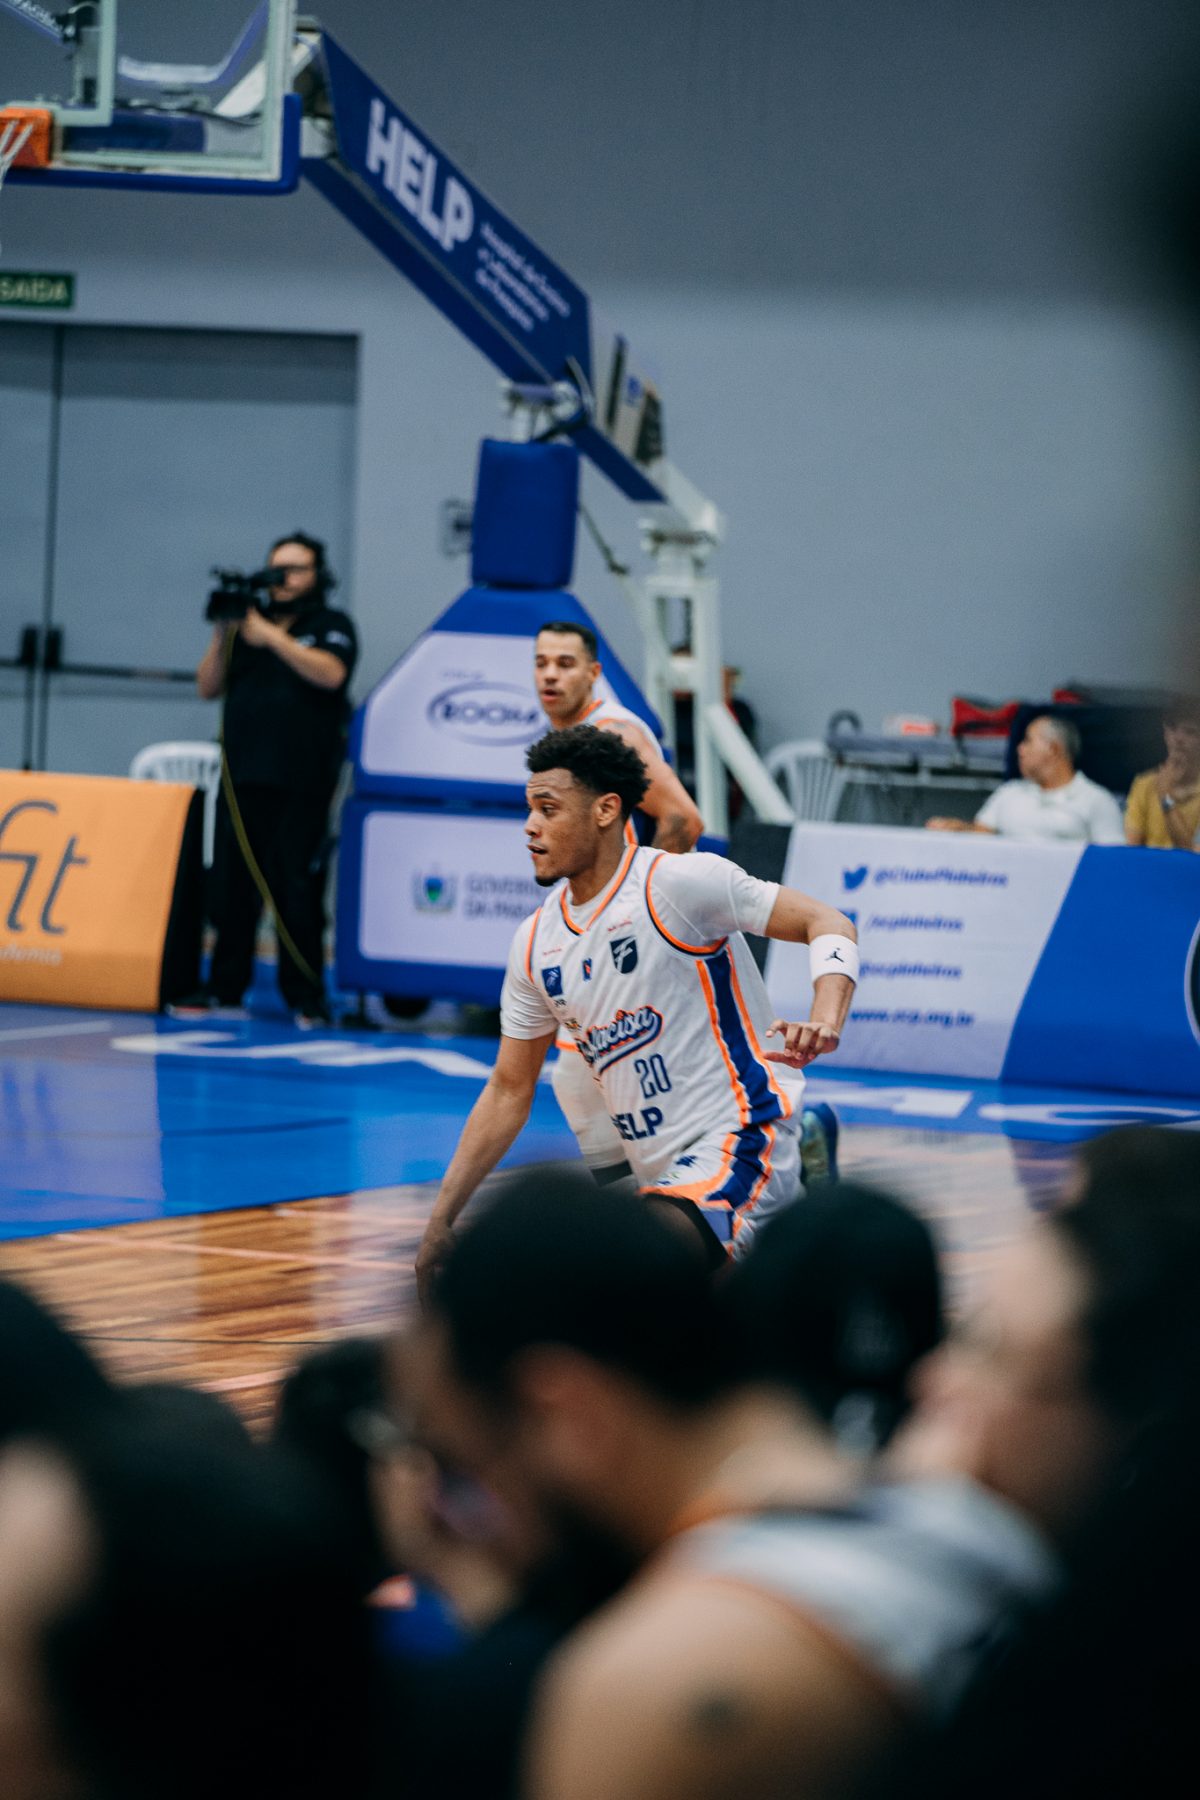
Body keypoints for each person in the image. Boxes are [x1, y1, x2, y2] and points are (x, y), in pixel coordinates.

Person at [406, 1176, 1054, 1800]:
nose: (467, 1518)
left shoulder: (654, 1685)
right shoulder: (980, 1514)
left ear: (567, 1415)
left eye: (466, 1471)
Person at [414, 724, 859, 1291]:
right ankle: (801, 1225)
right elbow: (508, 1089)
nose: (530, 825)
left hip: (742, 1137)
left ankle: (793, 1196)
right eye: (529, 809)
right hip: (659, 1171)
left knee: (622, 1279)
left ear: (605, 810)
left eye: (548, 809)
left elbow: (828, 921)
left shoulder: (677, 884)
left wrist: (825, 1018)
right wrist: (441, 1218)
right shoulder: (534, 942)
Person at [194, 531, 358, 1025]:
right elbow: (208, 686)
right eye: (276, 569)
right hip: (242, 777)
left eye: (295, 569)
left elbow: (331, 674)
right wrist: (224, 633)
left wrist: (270, 636)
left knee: (296, 890)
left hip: (301, 782)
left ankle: (305, 996)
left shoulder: (330, 625)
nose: (283, 579)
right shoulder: (244, 628)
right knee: (231, 887)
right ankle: (225, 989)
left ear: (317, 575)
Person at [926, 714, 1124, 842]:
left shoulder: (1097, 800)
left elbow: (1113, 864)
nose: (1020, 749)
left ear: (1053, 749)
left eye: (1028, 741)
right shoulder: (1009, 792)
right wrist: (957, 829)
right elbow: (981, 833)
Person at [1124, 694, 1200, 849]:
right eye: (1172, 729)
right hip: (1149, 864)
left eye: (1190, 732)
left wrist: (1166, 797)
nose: (1178, 738)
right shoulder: (1144, 783)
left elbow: (1192, 856)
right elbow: (1132, 849)